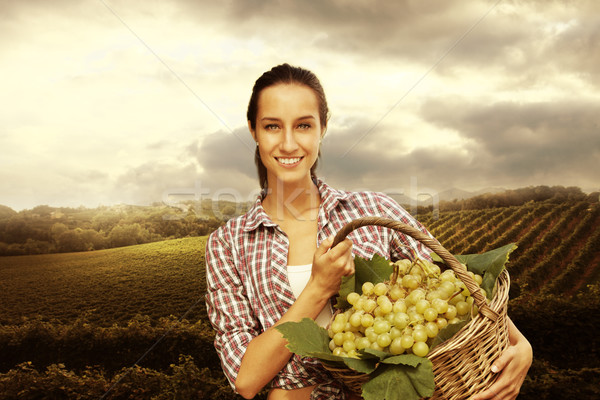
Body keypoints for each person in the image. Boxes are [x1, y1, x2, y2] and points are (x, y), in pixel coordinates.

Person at [205, 63, 532, 400]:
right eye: (272, 126)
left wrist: (521, 344)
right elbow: (245, 379)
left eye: (303, 125)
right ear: (253, 130)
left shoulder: (374, 210)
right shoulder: (228, 244)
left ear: (323, 129)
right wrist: (318, 288)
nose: (288, 143)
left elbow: (453, 284)